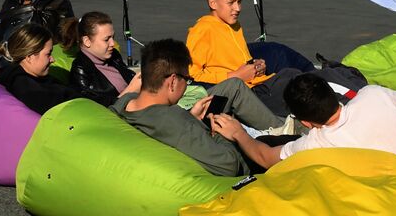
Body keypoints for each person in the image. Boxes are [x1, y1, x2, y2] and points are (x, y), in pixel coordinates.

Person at [113, 39, 289, 177]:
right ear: (173, 81)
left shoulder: (126, 103)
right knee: (290, 141)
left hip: (190, 128)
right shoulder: (174, 121)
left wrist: (192, 118)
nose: (186, 84)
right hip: (250, 162)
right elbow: (228, 166)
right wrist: (221, 132)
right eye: (186, 79)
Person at [211, 72, 396, 171]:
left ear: (307, 122)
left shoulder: (316, 143)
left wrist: (238, 132)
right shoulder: (373, 94)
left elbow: (264, 157)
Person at [185, 0, 312, 114]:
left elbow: (237, 62)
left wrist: (256, 66)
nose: (237, 8)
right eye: (231, 3)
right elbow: (192, 77)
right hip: (246, 95)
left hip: (257, 84)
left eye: (239, 2)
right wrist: (234, 76)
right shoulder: (202, 30)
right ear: (213, 3)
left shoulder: (234, 25)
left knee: (293, 74)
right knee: (295, 83)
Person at [0, 24, 135, 114]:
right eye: (48, 54)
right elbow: (73, 104)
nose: (53, 59)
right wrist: (118, 102)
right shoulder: (27, 89)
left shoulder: (36, 80)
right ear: (29, 56)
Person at [66, 11, 135, 101]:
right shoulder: (80, 72)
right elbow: (96, 107)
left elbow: (128, 76)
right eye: (106, 39)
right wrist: (130, 91)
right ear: (87, 41)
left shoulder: (113, 56)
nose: (112, 43)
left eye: (112, 38)